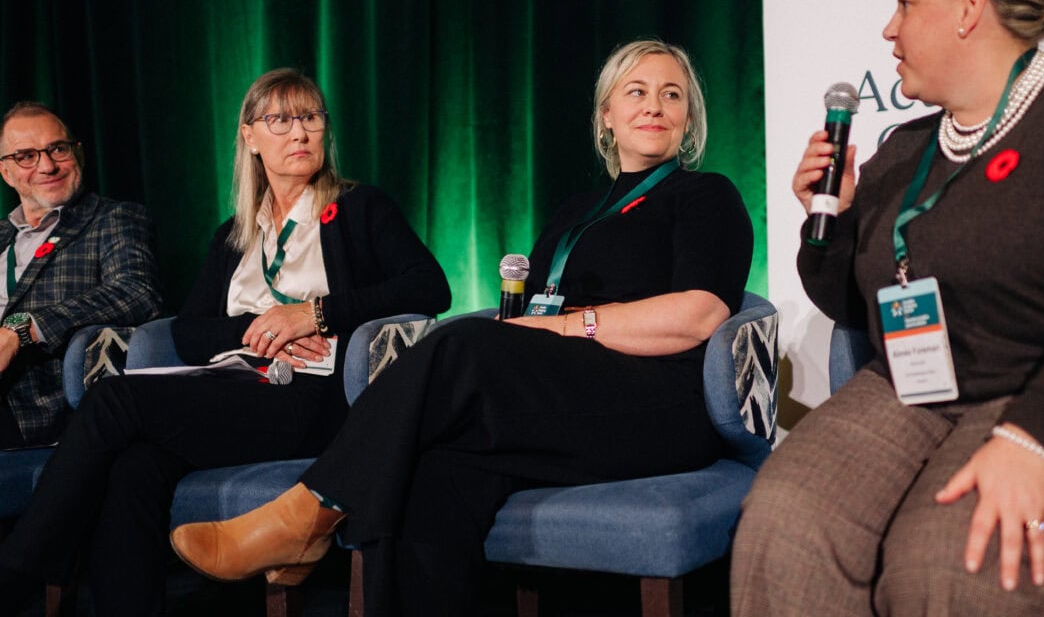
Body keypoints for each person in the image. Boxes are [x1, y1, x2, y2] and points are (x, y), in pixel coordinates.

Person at [169, 39, 755, 615]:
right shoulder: (577, 211)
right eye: (636, 92)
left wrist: (567, 327)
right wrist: (532, 330)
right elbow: (533, 312)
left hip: (655, 402)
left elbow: (699, 314)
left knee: (462, 341)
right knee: (428, 476)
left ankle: (308, 511)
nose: (653, 105)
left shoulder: (704, 196)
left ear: (688, 119)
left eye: (671, 94)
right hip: (564, 400)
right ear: (607, 114)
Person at [731, 0, 1044, 616]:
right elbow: (856, 303)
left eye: (905, 4)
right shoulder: (905, 148)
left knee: (953, 562)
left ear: (970, 8)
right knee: (783, 527)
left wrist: (1035, 439)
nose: (887, 29)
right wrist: (832, 224)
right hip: (917, 387)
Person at [0, 69, 451, 615]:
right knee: (135, 467)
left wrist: (314, 314)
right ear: (250, 137)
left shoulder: (359, 208)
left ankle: (19, 567)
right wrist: (256, 330)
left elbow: (429, 287)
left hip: (313, 396)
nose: (299, 134)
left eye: (310, 118)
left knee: (115, 398)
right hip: (237, 386)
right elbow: (188, 332)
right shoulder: (236, 233)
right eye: (280, 120)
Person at [0, 102, 163, 449]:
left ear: (79, 153)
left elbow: (136, 292)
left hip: (34, 404)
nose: (47, 166)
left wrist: (23, 329)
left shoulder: (112, 219)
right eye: (26, 156)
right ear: (6, 172)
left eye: (58, 149)